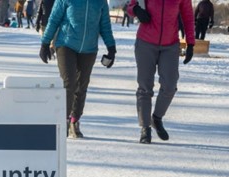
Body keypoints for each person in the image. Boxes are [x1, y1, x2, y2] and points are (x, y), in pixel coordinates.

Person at [39, 0, 116, 139]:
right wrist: (45, 43)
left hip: (89, 48)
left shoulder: (100, 2)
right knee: (69, 83)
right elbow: (54, 19)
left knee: (81, 85)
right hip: (66, 44)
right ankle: (63, 122)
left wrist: (111, 47)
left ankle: (74, 120)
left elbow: (104, 25)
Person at [128, 0, 194, 143]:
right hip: (145, 42)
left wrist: (191, 43)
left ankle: (156, 118)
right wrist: (137, 10)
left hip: (170, 45)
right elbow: (130, 7)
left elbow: (188, 16)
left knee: (170, 85)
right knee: (145, 87)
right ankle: (145, 127)